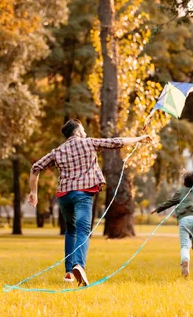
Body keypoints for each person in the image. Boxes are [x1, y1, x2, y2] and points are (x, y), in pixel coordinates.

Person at [28, 119, 154, 286]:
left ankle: (68, 273)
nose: (86, 133)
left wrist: (33, 193)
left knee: (71, 231)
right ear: (78, 132)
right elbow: (116, 142)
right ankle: (79, 265)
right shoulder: (88, 143)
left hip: (64, 195)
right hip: (82, 194)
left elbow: (35, 168)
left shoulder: (57, 151)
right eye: (83, 130)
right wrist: (139, 138)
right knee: (82, 230)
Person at [151, 170, 193, 279]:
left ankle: (185, 259)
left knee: (185, 245)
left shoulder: (180, 191)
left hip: (183, 220)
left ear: (184, 183)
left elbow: (170, 202)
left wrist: (157, 209)